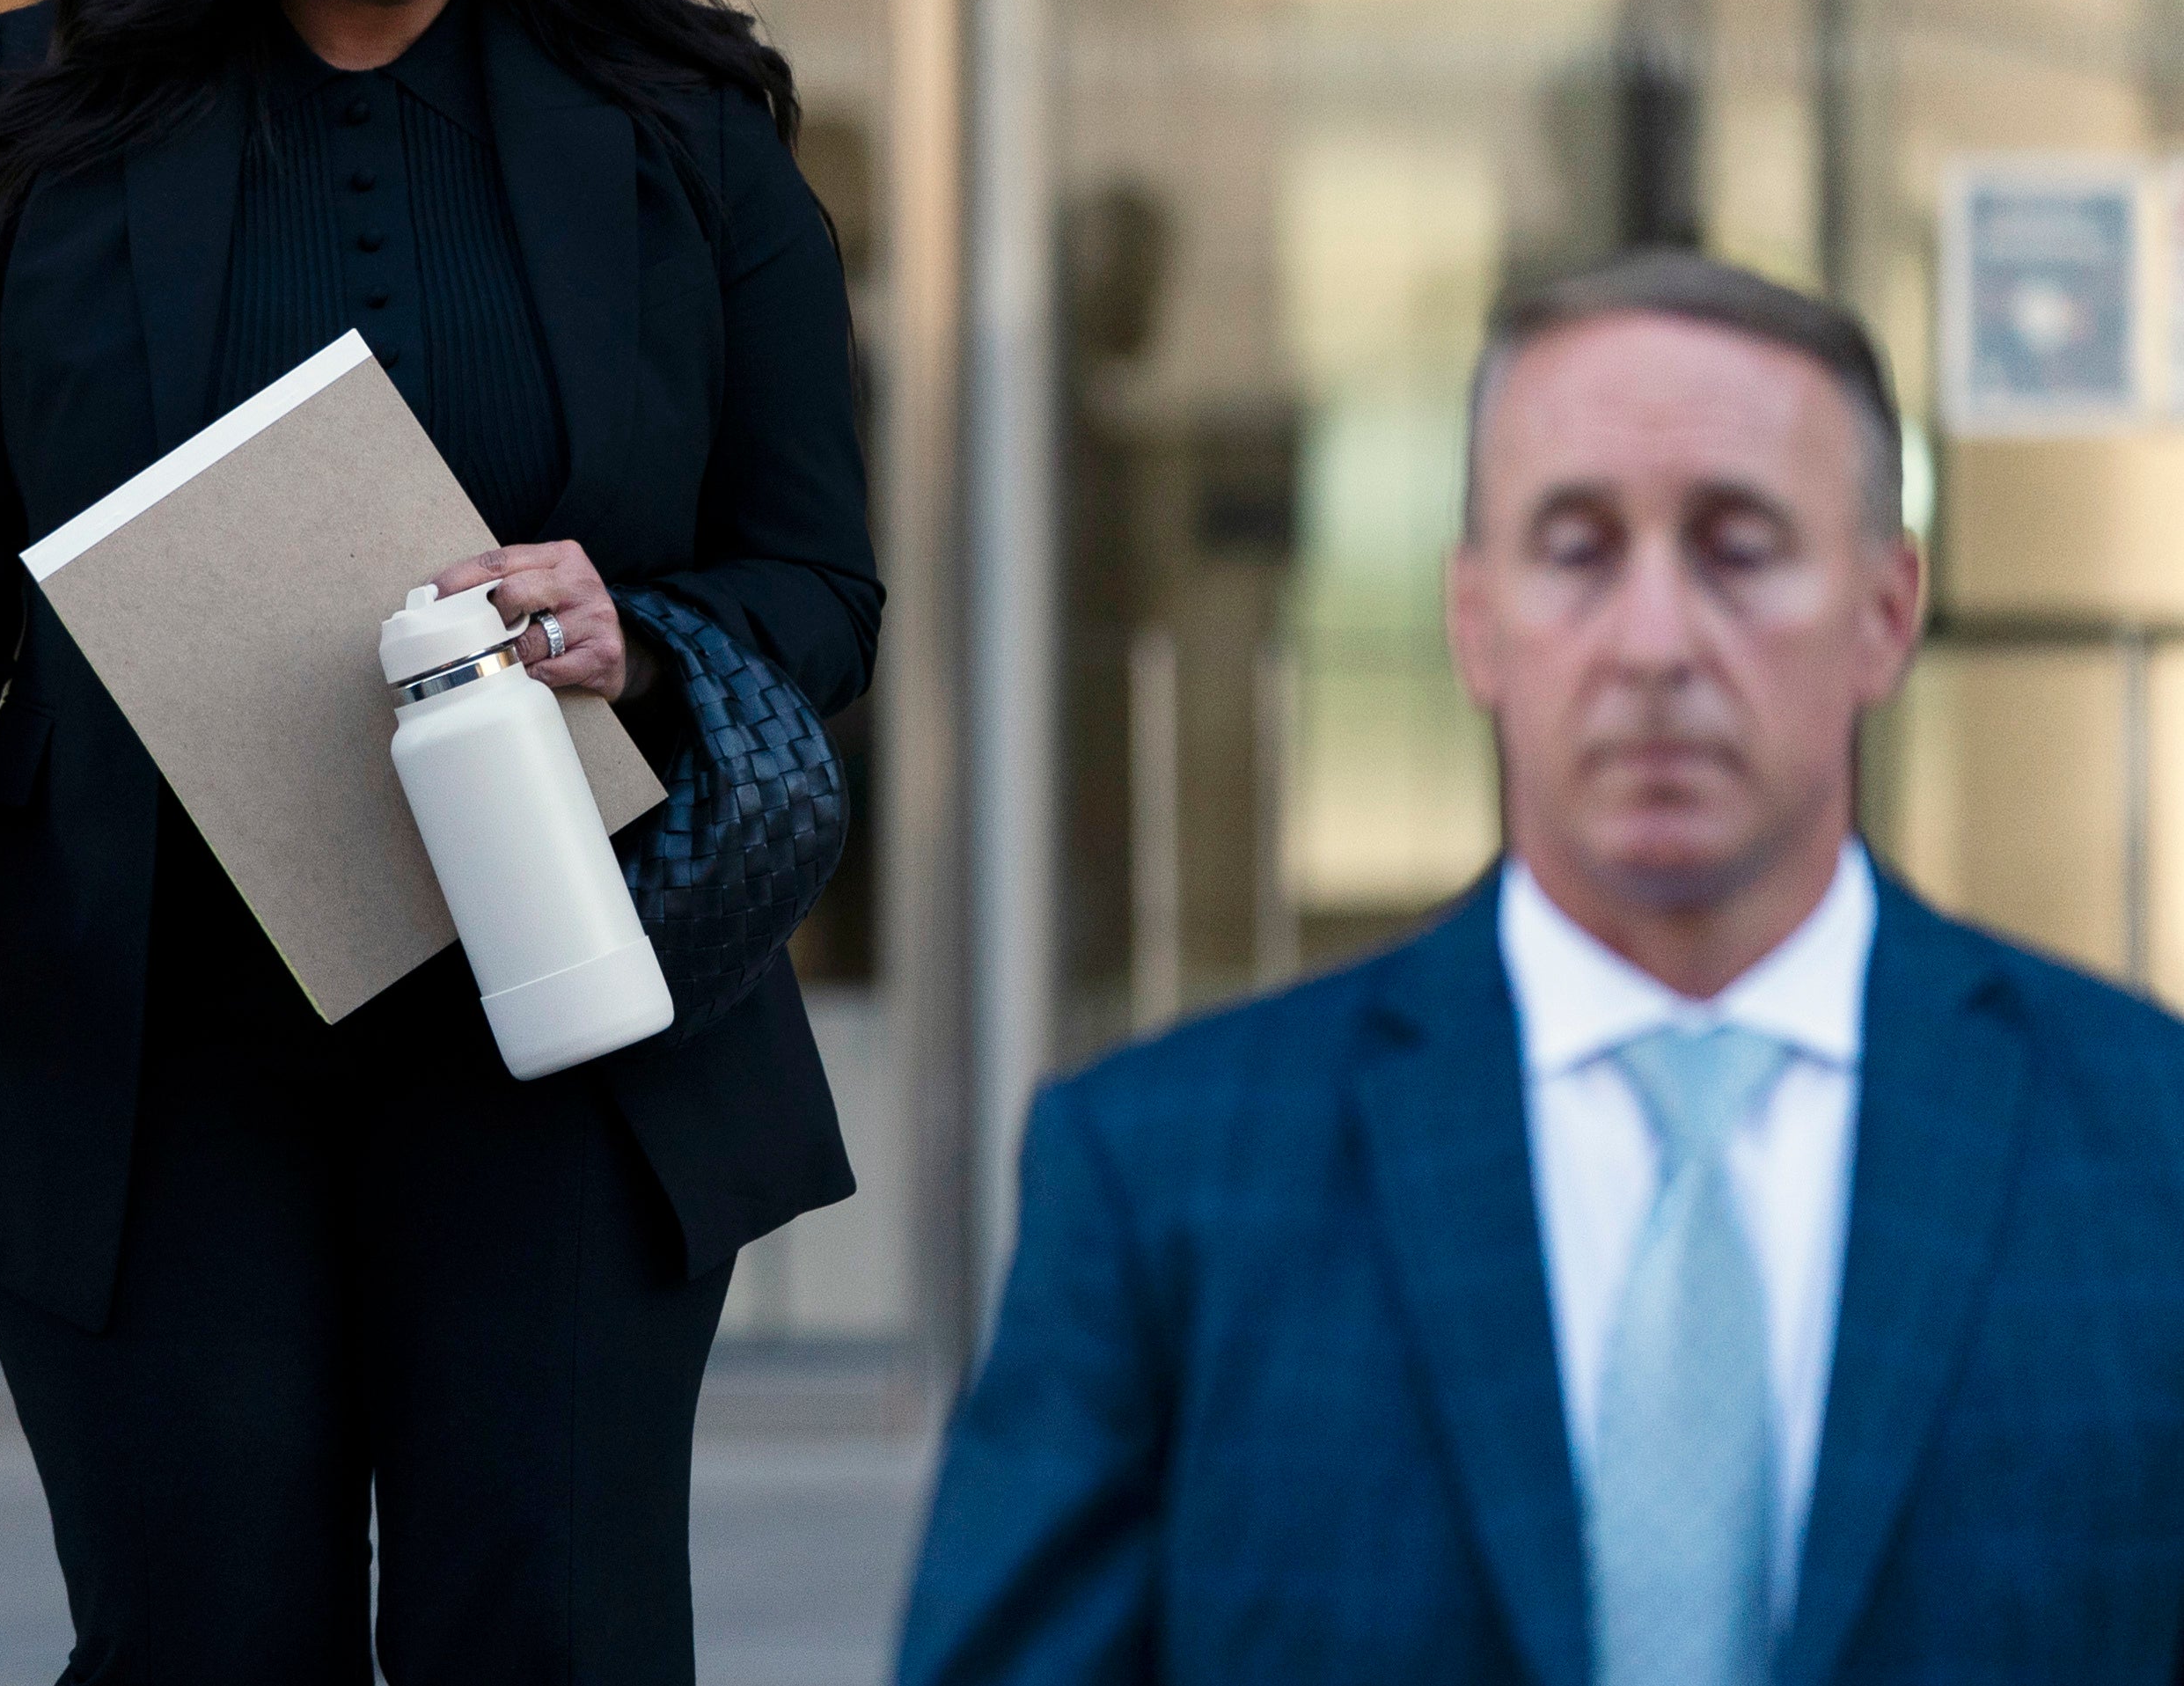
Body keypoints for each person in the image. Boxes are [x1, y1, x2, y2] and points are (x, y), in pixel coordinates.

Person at [0, 0, 879, 1683]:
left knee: (545, 1637)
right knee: (201, 1644)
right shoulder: (43, 109)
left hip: (555, 1020)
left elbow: (821, 581)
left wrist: (634, 626)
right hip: (150, 1044)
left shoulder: (689, 137)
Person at [898, 250, 2184, 1684]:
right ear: (1473, 620)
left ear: (1886, 611)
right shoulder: (1165, 1176)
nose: (1652, 641)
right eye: (1575, 549)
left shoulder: (2151, 1141)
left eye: (1738, 546)